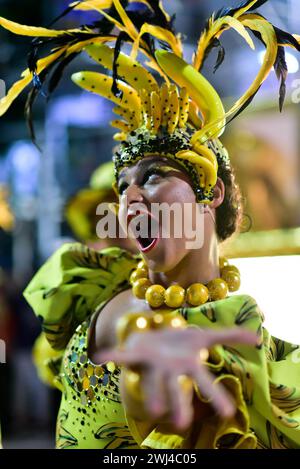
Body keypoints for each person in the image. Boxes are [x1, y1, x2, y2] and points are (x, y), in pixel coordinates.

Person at [1, 0, 300, 449]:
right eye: (123, 185)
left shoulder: (246, 349)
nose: (130, 197)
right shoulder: (94, 290)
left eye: (155, 176)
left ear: (211, 192)